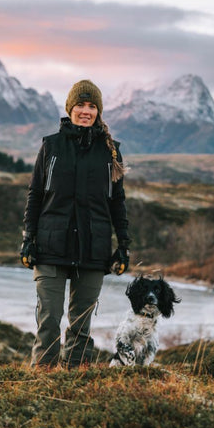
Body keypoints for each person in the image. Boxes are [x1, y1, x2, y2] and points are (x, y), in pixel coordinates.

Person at [20, 79, 130, 368]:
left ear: (98, 112)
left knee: (81, 328)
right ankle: (41, 384)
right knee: (48, 323)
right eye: (80, 105)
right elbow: (35, 195)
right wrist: (28, 239)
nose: (86, 111)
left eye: (92, 106)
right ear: (70, 108)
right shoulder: (51, 146)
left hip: (93, 249)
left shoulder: (111, 152)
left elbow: (117, 203)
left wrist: (124, 246)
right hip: (50, 246)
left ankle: (75, 385)